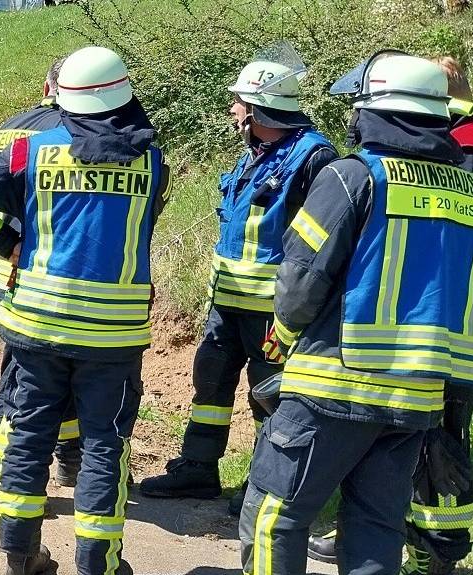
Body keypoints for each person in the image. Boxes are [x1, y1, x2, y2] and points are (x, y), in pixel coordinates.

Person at [238, 50, 473, 575]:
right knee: (377, 530)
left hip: (333, 386)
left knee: (273, 519)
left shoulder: (353, 176)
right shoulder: (472, 189)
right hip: (416, 398)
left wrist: (279, 340)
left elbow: (302, 280)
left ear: (378, 110)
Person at [0, 46, 170, 575]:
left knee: (27, 439)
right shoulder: (155, 161)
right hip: (112, 336)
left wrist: (4, 243)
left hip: (37, 326)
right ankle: (100, 568)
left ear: (60, 98)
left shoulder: (30, 152)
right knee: (103, 448)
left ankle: (21, 562)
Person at [306, 56, 473, 575]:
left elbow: (441, 243)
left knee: (435, 440)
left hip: (444, 317)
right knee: (424, 432)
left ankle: (432, 554)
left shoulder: (466, 151)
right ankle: (402, 537)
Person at [139, 54, 336, 516]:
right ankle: (199, 469)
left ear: (257, 109)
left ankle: (264, 484)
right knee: (210, 384)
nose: (231, 110)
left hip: (276, 312)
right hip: (226, 305)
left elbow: (323, 244)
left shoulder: (314, 158)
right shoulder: (255, 154)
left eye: (238, 102)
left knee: (270, 396)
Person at [0, 58, 83, 497]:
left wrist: (2, 244)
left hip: (11, 274)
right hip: (61, 273)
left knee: (24, 376)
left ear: (46, 85)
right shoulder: (79, 133)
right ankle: (68, 460)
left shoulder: (10, 127)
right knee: (67, 372)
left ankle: (1, 469)